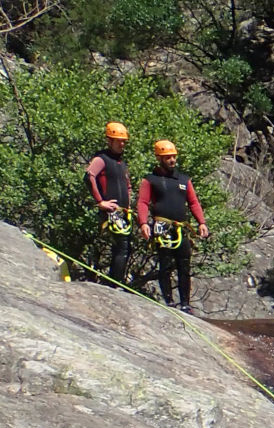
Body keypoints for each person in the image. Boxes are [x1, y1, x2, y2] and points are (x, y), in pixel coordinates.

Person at [136, 140, 208, 311]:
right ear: (159, 158)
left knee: (184, 265)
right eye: (168, 157)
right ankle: (169, 301)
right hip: (163, 227)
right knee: (165, 264)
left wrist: (201, 222)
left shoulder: (184, 179)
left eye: (174, 156)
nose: (172, 160)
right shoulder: (151, 180)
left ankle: (185, 303)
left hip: (180, 228)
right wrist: (143, 223)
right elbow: (143, 202)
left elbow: (193, 202)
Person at [84, 121, 133, 284]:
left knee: (124, 247)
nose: (122, 144)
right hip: (111, 211)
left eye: (124, 141)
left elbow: (127, 185)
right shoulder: (101, 159)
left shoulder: (121, 163)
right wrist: (100, 202)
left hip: (122, 212)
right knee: (122, 246)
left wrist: (129, 205)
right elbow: (89, 176)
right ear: (109, 141)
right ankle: (114, 283)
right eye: (119, 141)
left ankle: (113, 281)